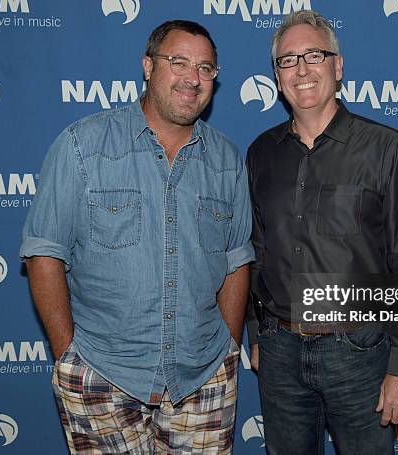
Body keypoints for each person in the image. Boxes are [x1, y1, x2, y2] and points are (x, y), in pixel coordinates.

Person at [20, 20, 254, 454]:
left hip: (203, 379)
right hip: (102, 375)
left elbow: (237, 259)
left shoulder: (226, 159)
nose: (192, 78)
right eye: (178, 62)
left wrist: (228, 348)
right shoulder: (81, 146)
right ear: (148, 66)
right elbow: (44, 253)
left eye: (206, 68)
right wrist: (68, 354)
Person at [246, 10, 398, 455]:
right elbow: (254, 247)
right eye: (288, 61)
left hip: (359, 352)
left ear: (338, 66)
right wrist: (255, 331)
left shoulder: (387, 148)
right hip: (278, 351)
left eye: (314, 55)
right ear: (276, 76)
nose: (302, 69)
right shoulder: (261, 152)